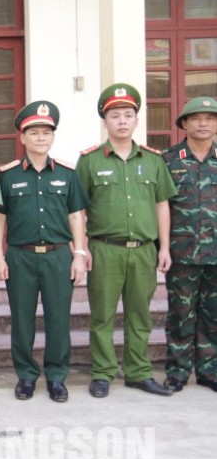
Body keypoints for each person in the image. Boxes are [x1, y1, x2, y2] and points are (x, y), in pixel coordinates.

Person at [76, 83, 176, 398]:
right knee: (102, 314)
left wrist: (165, 247)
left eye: (128, 115)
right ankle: (103, 373)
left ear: (136, 120)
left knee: (140, 314)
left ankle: (138, 372)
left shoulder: (154, 160)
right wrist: (81, 248)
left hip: (144, 251)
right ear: (105, 122)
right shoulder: (90, 161)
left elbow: (162, 205)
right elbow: (77, 208)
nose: (122, 120)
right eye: (115, 115)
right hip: (105, 250)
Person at [0, 101, 88, 403]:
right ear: (22, 137)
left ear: (53, 137)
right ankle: (26, 376)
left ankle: (57, 377)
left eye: (46, 132)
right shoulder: (7, 175)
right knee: (22, 319)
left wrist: (80, 254)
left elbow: (76, 216)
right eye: (34, 132)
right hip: (20, 256)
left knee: (59, 318)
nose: (40, 137)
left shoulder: (68, 174)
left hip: (59, 256)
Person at [161, 96, 217, 393]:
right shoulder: (168, 160)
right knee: (180, 315)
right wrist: (163, 248)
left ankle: (210, 371)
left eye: (210, 118)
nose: (203, 123)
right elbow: (160, 208)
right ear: (184, 123)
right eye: (196, 118)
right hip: (182, 253)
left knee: (213, 315)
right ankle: (178, 372)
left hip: (216, 254)